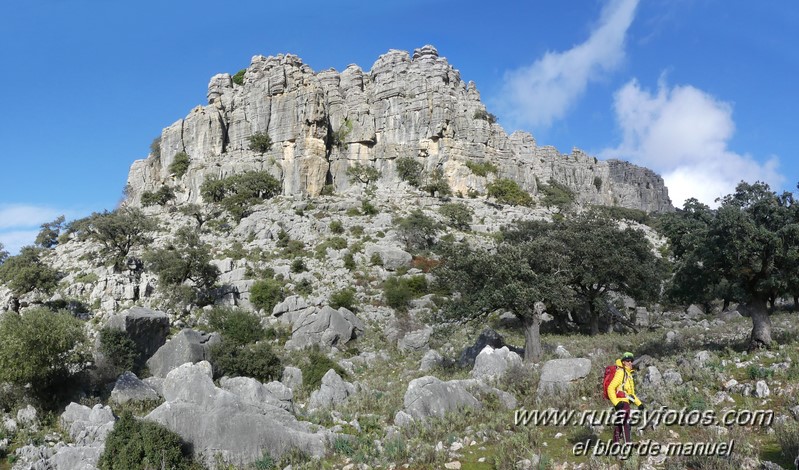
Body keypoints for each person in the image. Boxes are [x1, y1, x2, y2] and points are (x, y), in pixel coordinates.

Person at [607, 351, 644, 444]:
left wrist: (639, 404)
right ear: (623, 362)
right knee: (625, 423)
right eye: (628, 361)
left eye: (631, 360)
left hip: (625, 402)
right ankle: (628, 444)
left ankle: (615, 444)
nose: (630, 362)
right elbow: (610, 388)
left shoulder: (628, 374)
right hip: (621, 403)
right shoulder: (621, 373)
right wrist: (616, 403)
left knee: (620, 424)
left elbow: (630, 394)